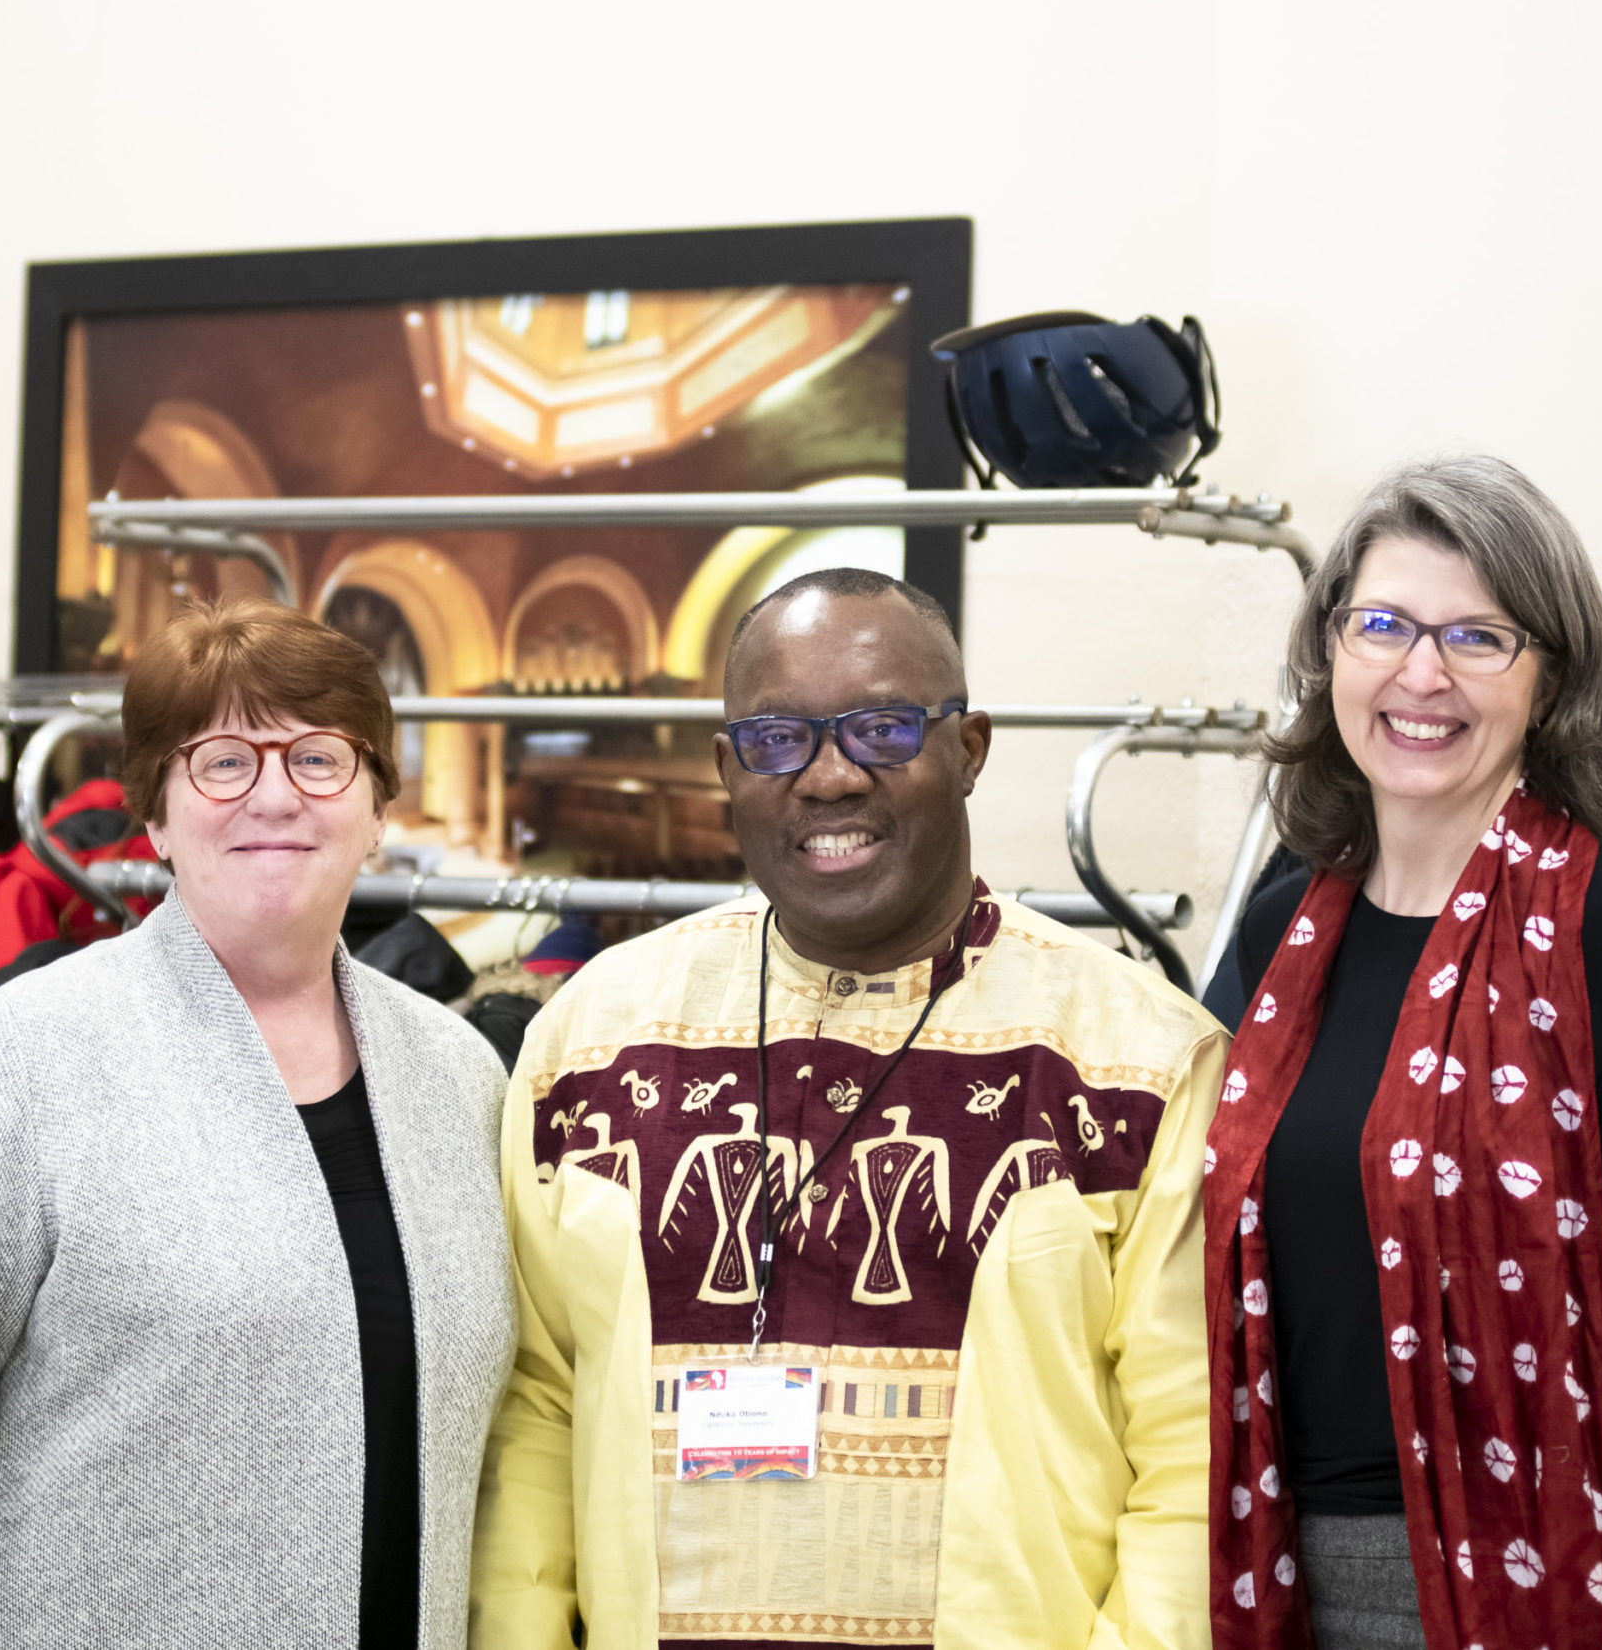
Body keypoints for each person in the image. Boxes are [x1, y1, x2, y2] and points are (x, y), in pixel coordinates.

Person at [471, 568, 1224, 1650]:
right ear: (728, 770)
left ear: (968, 750)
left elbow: (1194, 1462)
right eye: (778, 738)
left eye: (880, 728)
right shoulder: (588, 1046)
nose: (828, 778)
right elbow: (535, 1417)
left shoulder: (1136, 1063)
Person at [0, 597, 516, 1650]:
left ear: (376, 809)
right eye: (222, 761)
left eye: (319, 759)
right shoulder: (21, 1055)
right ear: (155, 813)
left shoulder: (459, 1074)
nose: (273, 795)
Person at [1199, 456, 1602, 1650]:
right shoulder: (1275, 932)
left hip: (1565, 1592)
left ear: (1549, 679)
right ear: (1330, 651)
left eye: (1478, 638)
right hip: (1272, 1582)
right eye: (1384, 624)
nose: (1420, 673)